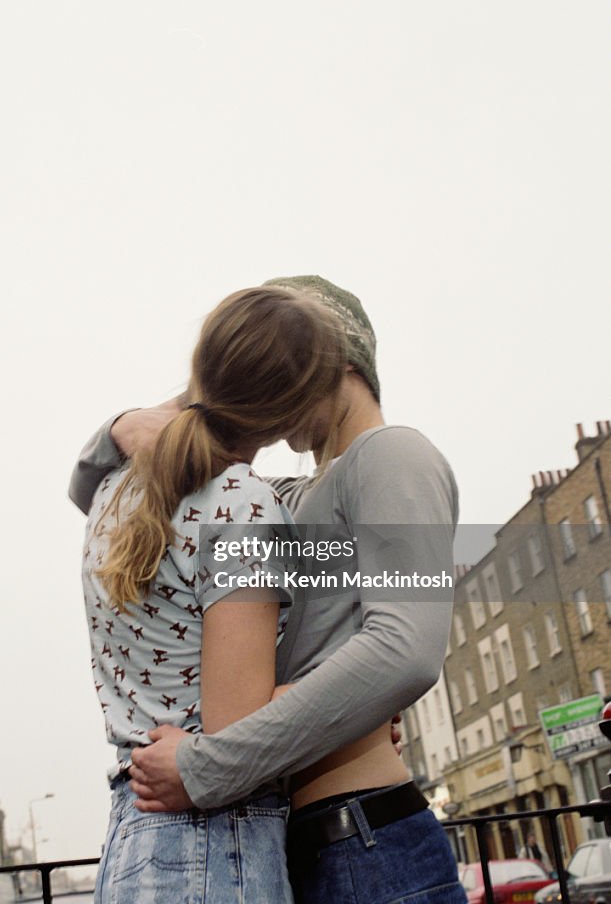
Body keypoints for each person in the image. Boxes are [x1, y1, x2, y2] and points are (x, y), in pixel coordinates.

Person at [70, 275, 466, 904]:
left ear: (329, 367)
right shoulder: (285, 500)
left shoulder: (393, 456)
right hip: (293, 840)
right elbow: (99, 476)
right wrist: (121, 425)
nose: (278, 429)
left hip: (365, 840)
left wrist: (208, 764)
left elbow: (405, 650)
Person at [81, 285, 347, 904]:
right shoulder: (242, 503)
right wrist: (352, 700)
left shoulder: (114, 488)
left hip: (135, 836)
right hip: (212, 841)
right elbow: (238, 726)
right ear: (286, 419)